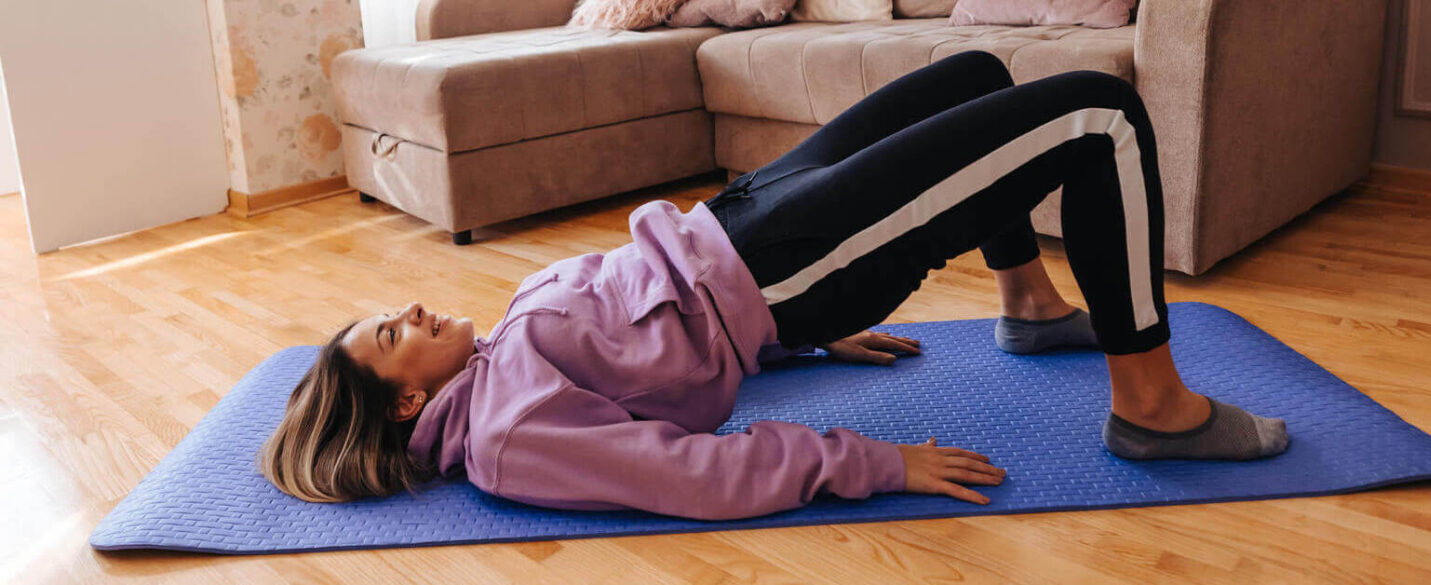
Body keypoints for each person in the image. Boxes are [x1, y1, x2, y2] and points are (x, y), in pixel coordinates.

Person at [258, 51, 1289, 520]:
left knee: (975, 73)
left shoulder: (495, 359)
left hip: (744, 218)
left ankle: (1031, 305)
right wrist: (874, 464)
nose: (408, 311)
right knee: (1099, 116)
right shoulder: (508, 433)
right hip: (788, 264)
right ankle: (1152, 407)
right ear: (407, 400)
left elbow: (649, 353)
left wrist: (799, 346)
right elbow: (684, 471)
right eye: (391, 335)